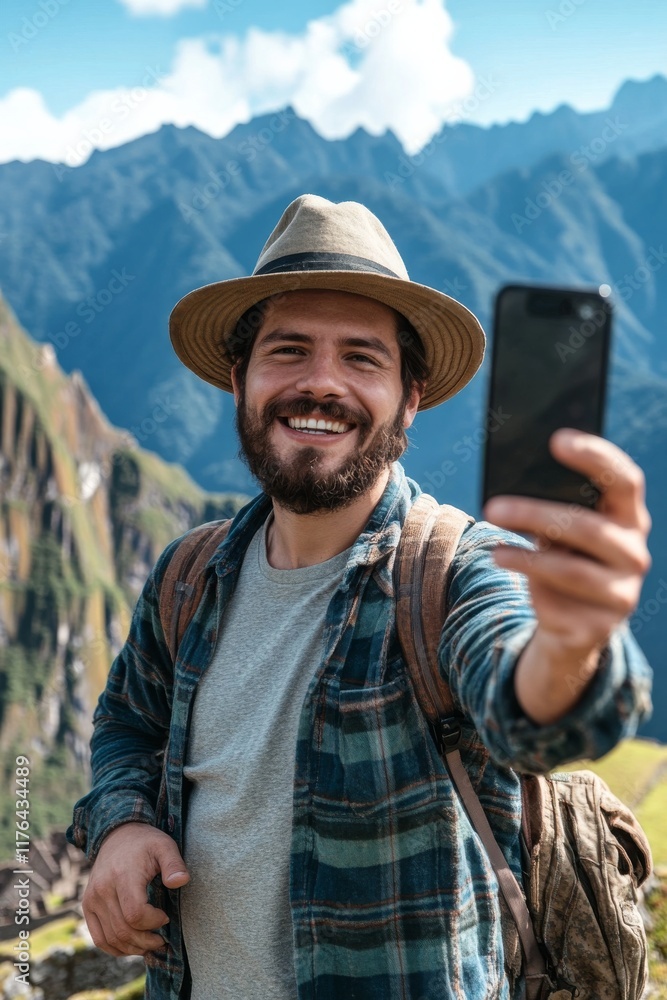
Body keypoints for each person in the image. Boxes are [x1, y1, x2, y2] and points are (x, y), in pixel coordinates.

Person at [66, 194, 653, 1000]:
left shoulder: (452, 576)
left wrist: (571, 643)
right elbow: (129, 722)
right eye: (289, 351)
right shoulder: (186, 579)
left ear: (412, 395)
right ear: (239, 379)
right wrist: (123, 822)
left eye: (361, 359)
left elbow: (529, 704)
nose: (320, 384)